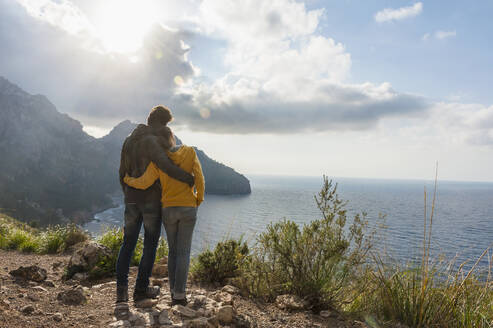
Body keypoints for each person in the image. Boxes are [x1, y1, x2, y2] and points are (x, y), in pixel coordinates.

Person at [116, 105, 194, 307]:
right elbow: (166, 167)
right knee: (149, 245)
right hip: (151, 201)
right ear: (161, 123)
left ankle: (121, 295)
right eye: (166, 124)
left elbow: (121, 172)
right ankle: (141, 291)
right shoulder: (152, 141)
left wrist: (128, 194)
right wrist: (188, 178)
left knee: (128, 243)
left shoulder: (129, 140)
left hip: (131, 199)